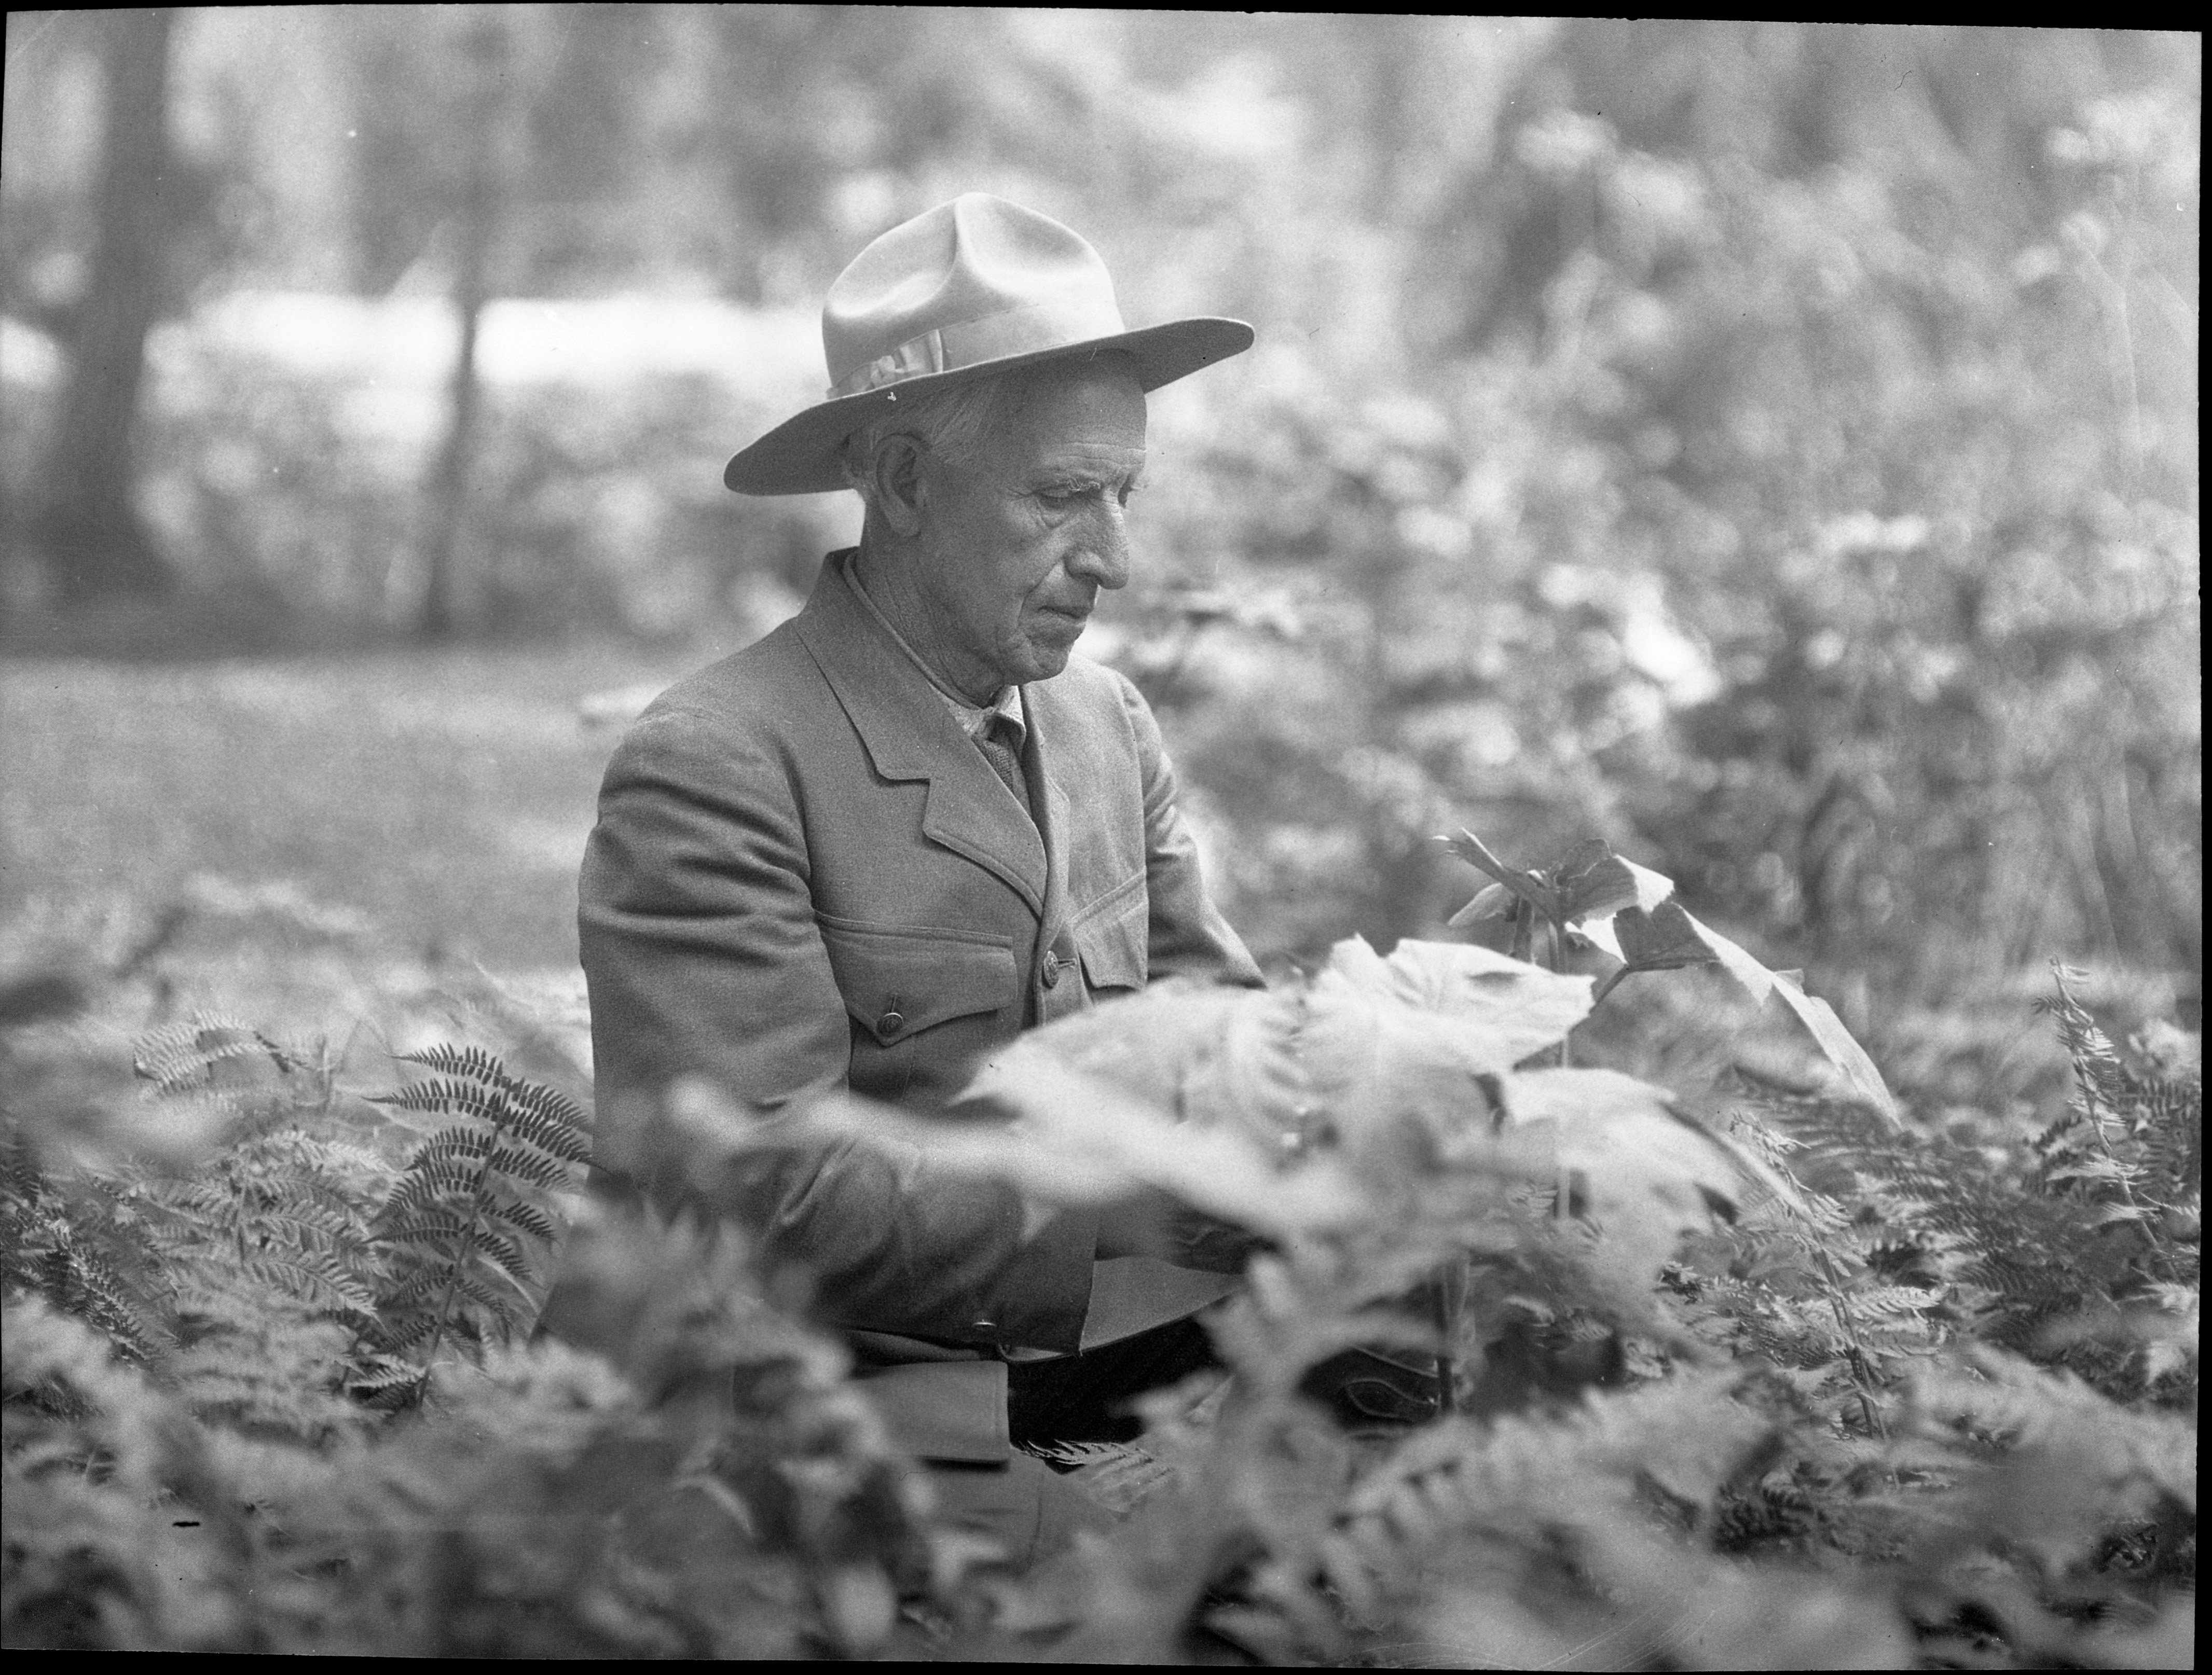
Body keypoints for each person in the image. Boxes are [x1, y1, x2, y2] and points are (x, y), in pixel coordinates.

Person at [570, 194, 1269, 1566]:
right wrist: (1178, 1203)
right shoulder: (719, 761)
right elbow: (764, 1195)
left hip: (1098, 1365)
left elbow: (1224, 1037)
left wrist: (1389, 1065)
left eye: (1124, 495)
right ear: (900, 481)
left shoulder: (1106, 727)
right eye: (1064, 497)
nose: (1115, 559)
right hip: (818, 1416)